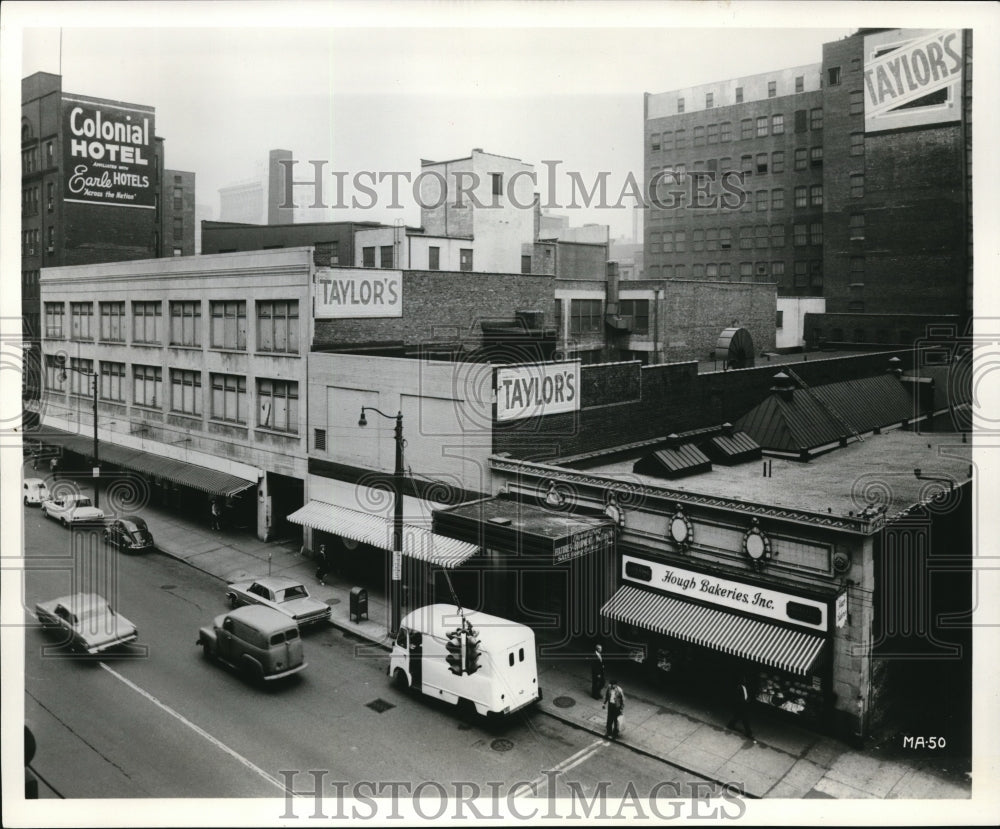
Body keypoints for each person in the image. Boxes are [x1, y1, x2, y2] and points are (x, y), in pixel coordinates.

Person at [727, 674, 756, 742]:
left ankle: (731, 725)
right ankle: (749, 733)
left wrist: (747, 699)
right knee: (745, 719)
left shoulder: (744, 687)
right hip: (741, 705)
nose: (745, 680)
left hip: (742, 705)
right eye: (744, 679)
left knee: (738, 716)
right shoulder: (739, 687)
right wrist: (744, 701)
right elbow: (738, 698)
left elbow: (744, 695)